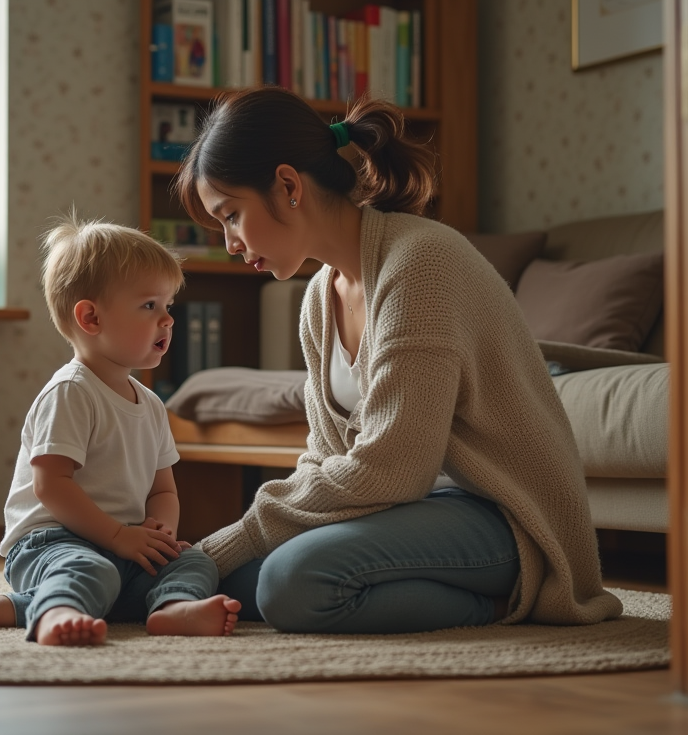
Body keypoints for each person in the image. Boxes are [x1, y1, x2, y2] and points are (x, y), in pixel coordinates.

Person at [172, 86, 623, 634]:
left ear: (288, 185)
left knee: (291, 581)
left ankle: (508, 605)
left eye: (232, 216)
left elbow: (395, 468)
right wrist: (210, 560)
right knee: (233, 583)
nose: (231, 244)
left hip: (504, 517)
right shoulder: (319, 298)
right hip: (403, 514)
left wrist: (236, 535)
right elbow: (326, 454)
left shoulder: (420, 264)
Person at [0, 213, 241, 645]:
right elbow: (50, 485)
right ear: (91, 318)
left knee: (196, 561)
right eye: (150, 306)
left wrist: (160, 534)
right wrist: (118, 536)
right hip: (52, 543)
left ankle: (173, 607)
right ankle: (54, 612)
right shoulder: (71, 392)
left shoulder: (150, 405)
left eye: (169, 307)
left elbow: (162, 490)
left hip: (121, 545)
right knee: (92, 571)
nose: (167, 320)